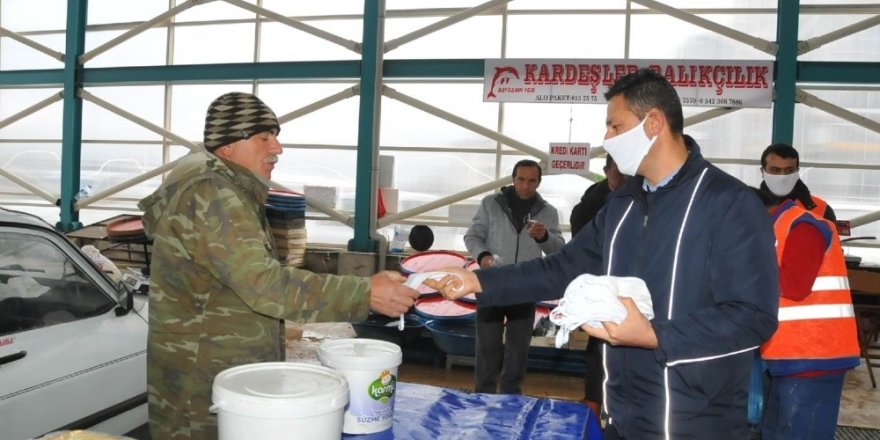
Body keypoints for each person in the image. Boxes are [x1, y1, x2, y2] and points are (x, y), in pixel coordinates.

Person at [426, 68, 779, 439]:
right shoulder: (622, 204)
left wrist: (655, 335)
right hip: (623, 417)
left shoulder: (729, 204)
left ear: (654, 123)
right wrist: (478, 281)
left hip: (698, 424)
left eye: (615, 126)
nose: (606, 138)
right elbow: (562, 269)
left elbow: (753, 317)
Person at [137, 92, 419, 440]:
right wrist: (364, 292)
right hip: (204, 390)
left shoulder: (230, 189)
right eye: (263, 138)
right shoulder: (213, 195)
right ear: (227, 146)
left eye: (276, 136)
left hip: (222, 376)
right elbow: (265, 285)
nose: (277, 148)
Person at [751, 188, 859, 440]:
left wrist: (743, 267)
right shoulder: (776, 231)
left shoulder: (803, 226)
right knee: (775, 431)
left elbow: (795, 285)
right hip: (789, 358)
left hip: (814, 358)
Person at [464, 159, 565, 394]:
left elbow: (559, 249)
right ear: (513, 179)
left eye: (531, 181)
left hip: (525, 286)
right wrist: (484, 257)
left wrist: (544, 237)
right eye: (521, 179)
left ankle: (511, 400)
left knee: (518, 350)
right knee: (487, 348)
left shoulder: (548, 212)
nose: (525, 185)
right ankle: (483, 396)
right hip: (491, 284)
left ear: (539, 183)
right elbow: (472, 236)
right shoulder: (490, 204)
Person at [568, 155, 626, 418]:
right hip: (601, 287)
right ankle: (593, 403)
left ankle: (610, 407)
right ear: (606, 171)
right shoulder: (593, 203)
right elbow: (579, 250)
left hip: (633, 292)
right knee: (599, 346)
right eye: (619, 170)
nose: (625, 176)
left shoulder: (645, 196)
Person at [759, 142, 836, 221]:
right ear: (762, 172)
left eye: (789, 170)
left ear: (797, 172)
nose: (782, 176)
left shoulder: (822, 210)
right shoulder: (750, 207)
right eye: (775, 170)